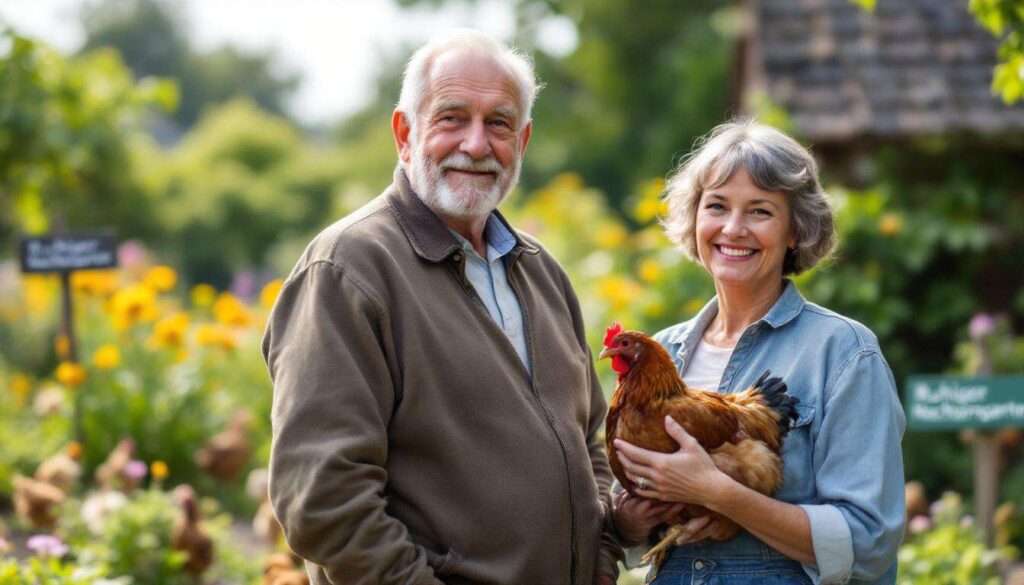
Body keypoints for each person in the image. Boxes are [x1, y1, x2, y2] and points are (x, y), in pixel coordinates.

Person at [262, 30, 622, 584]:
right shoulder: (348, 269)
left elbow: (588, 441)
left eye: (498, 123)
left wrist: (597, 565)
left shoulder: (540, 269)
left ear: (522, 142)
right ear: (405, 133)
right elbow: (325, 500)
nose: (476, 145)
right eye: (452, 118)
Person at [611, 119, 906, 584]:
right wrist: (633, 518)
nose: (733, 228)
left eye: (760, 211)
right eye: (717, 206)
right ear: (695, 219)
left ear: (795, 231)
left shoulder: (843, 353)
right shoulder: (661, 350)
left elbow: (867, 541)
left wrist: (722, 496)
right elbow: (625, 523)